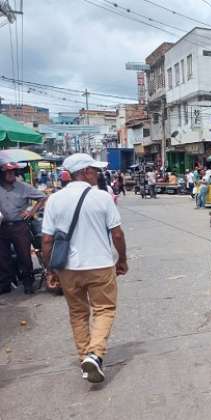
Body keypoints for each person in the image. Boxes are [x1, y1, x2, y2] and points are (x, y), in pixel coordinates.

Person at [41, 153, 128, 384]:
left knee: (78, 313)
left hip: (68, 268)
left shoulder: (54, 200)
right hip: (100, 265)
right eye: (95, 170)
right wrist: (123, 260)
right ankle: (95, 354)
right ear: (86, 172)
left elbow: (47, 240)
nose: (98, 174)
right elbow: (117, 233)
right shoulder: (102, 197)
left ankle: (85, 358)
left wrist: (50, 270)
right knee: (104, 309)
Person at [0, 162, 47, 294]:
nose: (10, 174)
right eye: (7, 172)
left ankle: (28, 283)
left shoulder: (23, 187)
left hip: (19, 226)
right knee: (3, 256)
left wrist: (31, 212)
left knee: (24, 256)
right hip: (2, 226)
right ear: (2, 173)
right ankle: (5, 284)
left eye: (13, 172)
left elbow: (42, 198)